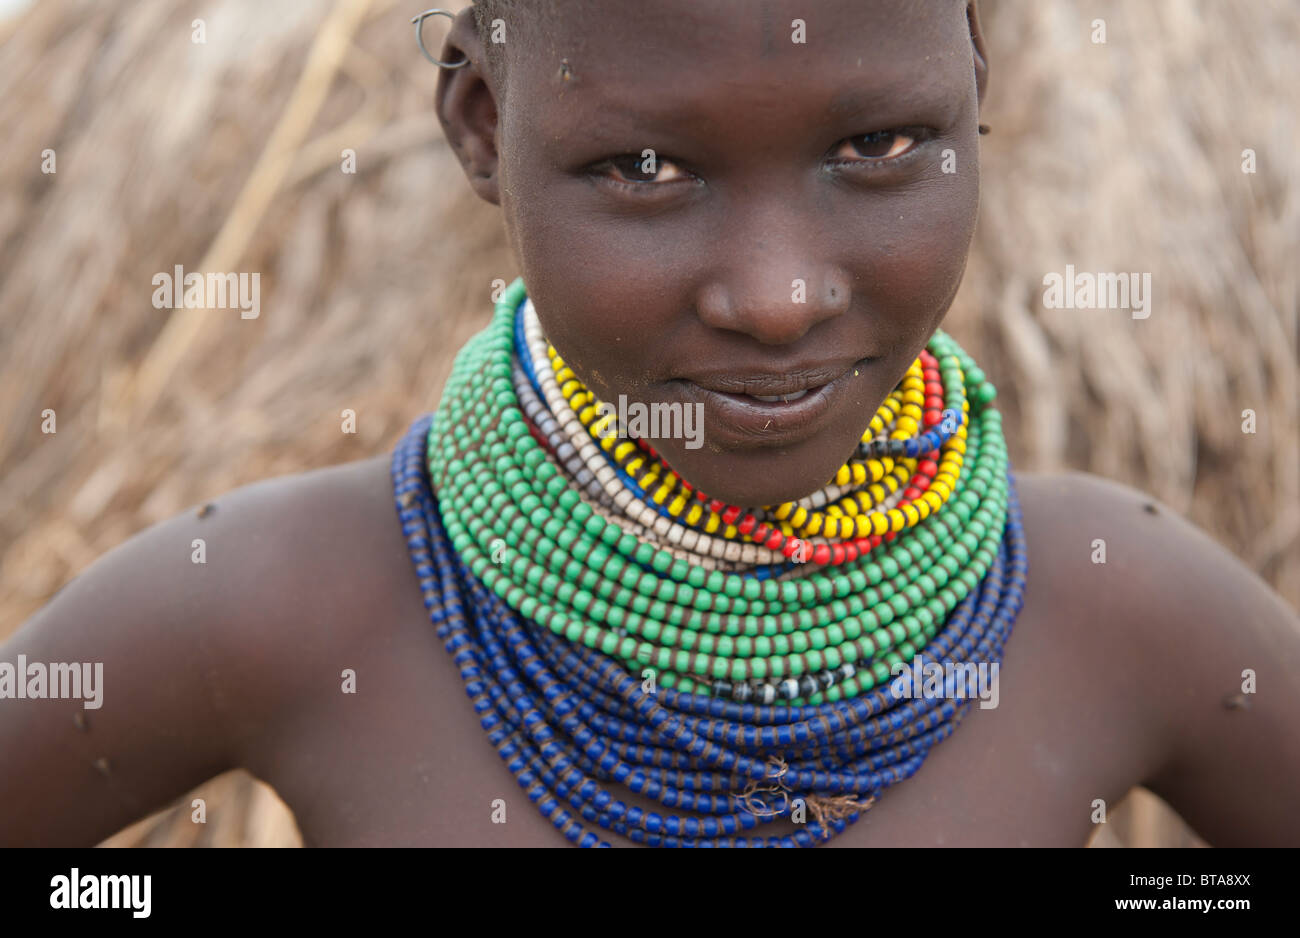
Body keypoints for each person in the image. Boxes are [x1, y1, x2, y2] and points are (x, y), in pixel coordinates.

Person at [1, 0, 1297, 847]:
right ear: (483, 125)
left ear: (975, 80)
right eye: (644, 169)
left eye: (880, 142)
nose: (778, 297)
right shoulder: (278, 605)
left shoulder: (1126, 611)